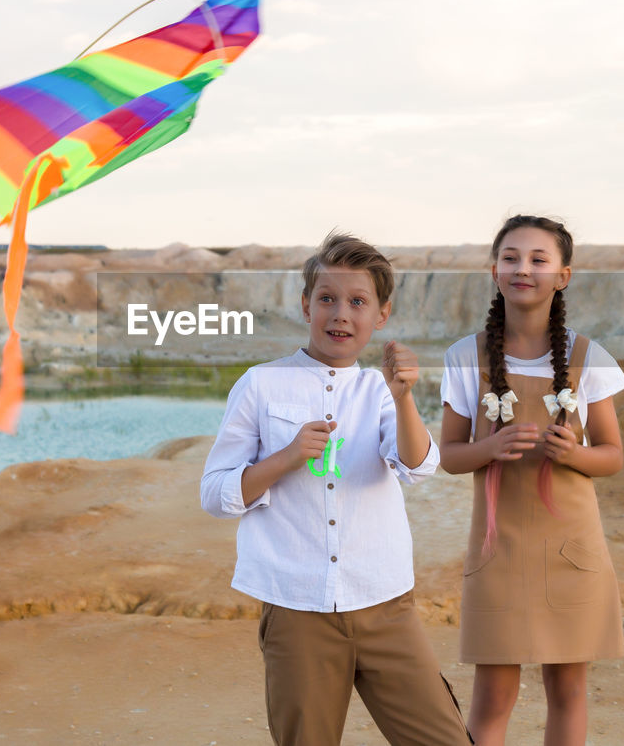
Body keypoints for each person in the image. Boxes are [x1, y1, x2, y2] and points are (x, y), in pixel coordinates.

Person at [201, 231, 472, 746]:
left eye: (357, 302)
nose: (340, 314)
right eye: (327, 298)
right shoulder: (261, 385)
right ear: (306, 305)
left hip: (385, 603)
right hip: (296, 609)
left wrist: (404, 396)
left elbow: (418, 465)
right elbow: (215, 494)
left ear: (381, 314)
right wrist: (284, 459)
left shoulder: (379, 391)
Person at [439, 215, 624, 746]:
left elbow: (612, 456)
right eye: (511, 257)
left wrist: (575, 454)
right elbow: (449, 456)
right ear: (494, 270)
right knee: (493, 697)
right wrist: (489, 448)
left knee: (567, 691)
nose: (523, 268)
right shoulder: (463, 357)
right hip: (498, 551)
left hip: (571, 553)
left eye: (539, 259)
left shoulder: (591, 358)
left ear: (562, 276)